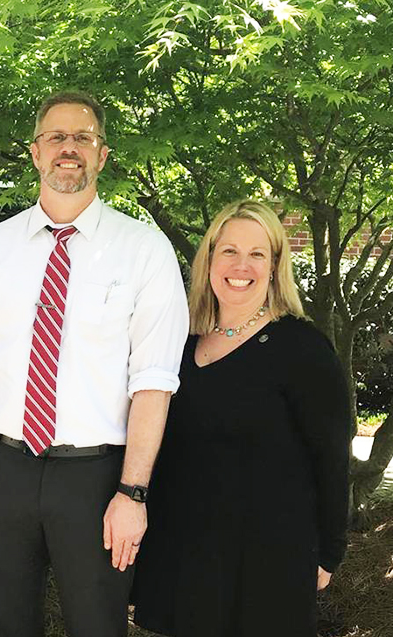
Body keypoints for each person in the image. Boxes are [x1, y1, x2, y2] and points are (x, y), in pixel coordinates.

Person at [0, 91, 189, 637]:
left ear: (102, 155)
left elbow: (153, 384)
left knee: (98, 626)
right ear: (34, 152)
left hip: (98, 479)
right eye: (56, 136)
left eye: (83, 137)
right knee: (5, 625)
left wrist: (133, 492)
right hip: (0, 470)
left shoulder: (144, 250)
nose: (68, 148)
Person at [131, 200, 351, 637]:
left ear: (274, 266)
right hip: (185, 554)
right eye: (229, 251)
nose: (241, 265)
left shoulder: (302, 349)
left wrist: (328, 553)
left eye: (257, 254)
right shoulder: (177, 342)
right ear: (209, 258)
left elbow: (331, 460)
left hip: (268, 561)